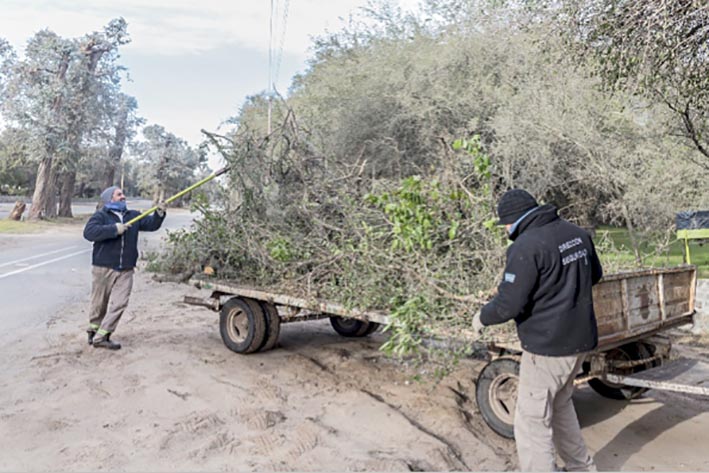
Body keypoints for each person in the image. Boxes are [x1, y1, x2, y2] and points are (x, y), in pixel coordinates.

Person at [477, 189, 603, 472]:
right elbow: (595, 275)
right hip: (580, 341)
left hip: (549, 347)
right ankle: (582, 467)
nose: (506, 229)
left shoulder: (525, 247)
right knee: (560, 405)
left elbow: (507, 305)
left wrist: (482, 317)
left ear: (515, 220)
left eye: (506, 224)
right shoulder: (577, 234)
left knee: (532, 421)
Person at [83, 186, 166, 350]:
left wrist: (159, 213)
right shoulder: (101, 216)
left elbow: (151, 225)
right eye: (119, 194)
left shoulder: (133, 216)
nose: (123, 196)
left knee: (120, 303)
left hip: (126, 268)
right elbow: (89, 233)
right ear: (110, 199)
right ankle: (93, 331)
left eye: (123, 194)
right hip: (103, 266)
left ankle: (103, 336)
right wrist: (114, 229)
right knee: (99, 303)